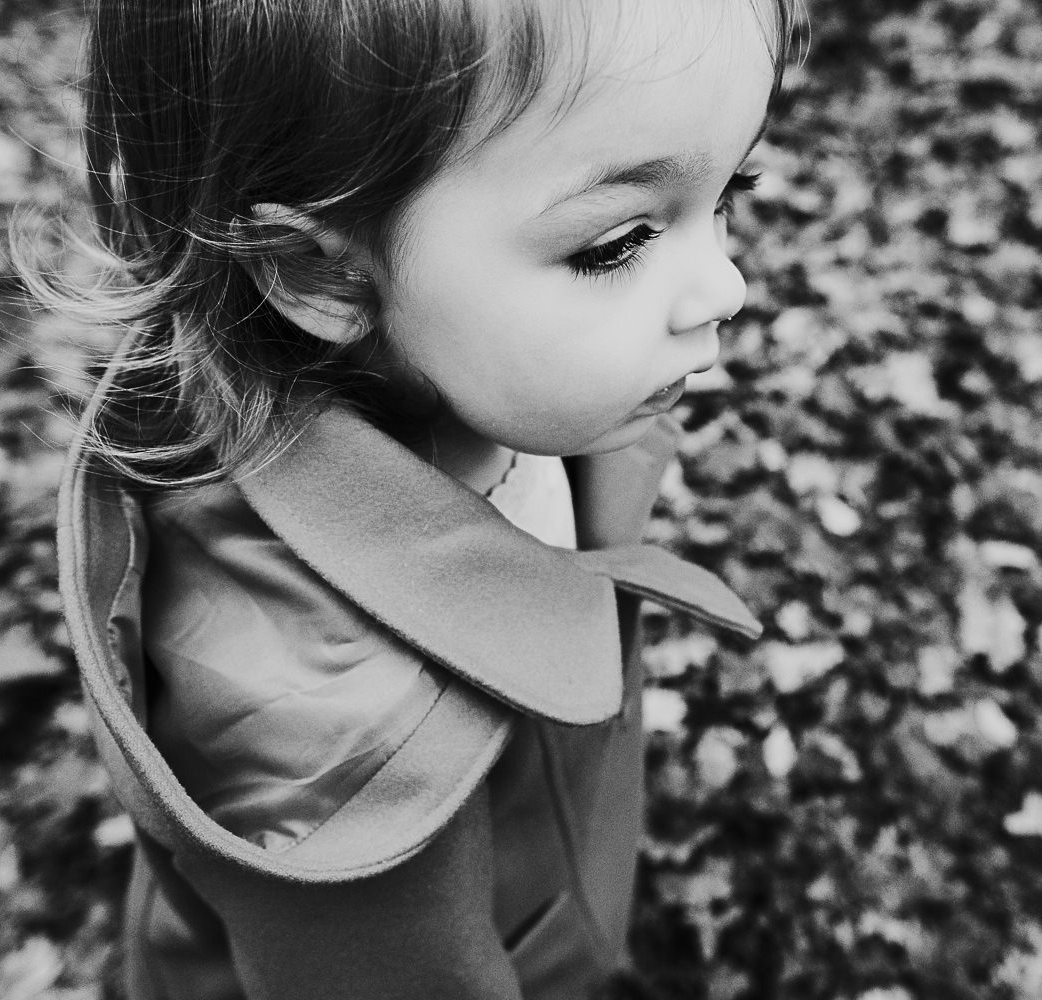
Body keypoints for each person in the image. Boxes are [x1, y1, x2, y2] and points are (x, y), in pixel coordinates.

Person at [42, 1, 797, 997]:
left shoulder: (487, 381)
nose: (726, 286)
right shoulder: (346, 773)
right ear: (321, 274)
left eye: (732, 187)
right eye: (618, 243)